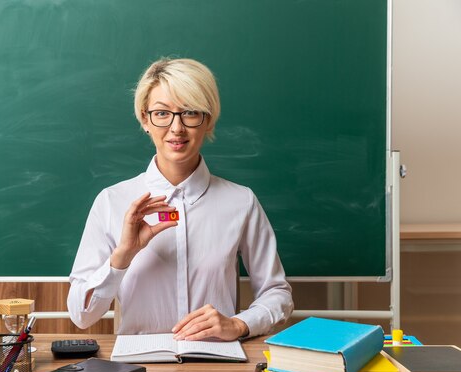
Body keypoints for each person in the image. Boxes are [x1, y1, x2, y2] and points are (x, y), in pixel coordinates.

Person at [67, 58, 293, 341]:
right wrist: (122, 256)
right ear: (145, 119)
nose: (176, 128)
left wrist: (239, 325)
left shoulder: (241, 202)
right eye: (162, 113)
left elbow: (277, 293)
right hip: (138, 371)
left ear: (208, 121)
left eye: (190, 113)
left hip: (217, 365)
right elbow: (81, 315)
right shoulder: (112, 202)